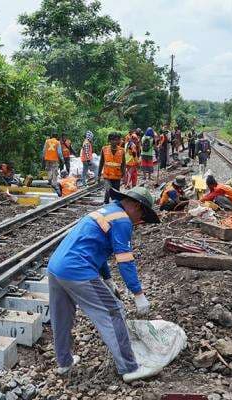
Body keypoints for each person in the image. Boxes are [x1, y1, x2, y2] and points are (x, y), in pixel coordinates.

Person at [47, 187, 160, 383]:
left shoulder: (107, 211)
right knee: (114, 311)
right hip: (77, 269)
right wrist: (138, 293)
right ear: (135, 206)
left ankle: (64, 363)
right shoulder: (123, 220)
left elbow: (96, 249)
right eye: (142, 215)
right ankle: (130, 367)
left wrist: (107, 279)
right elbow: (125, 260)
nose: (139, 221)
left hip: (56, 267)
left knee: (61, 317)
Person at [98, 133, 125, 204]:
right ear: (109, 140)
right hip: (107, 175)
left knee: (116, 192)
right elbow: (101, 162)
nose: (114, 142)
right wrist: (98, 175)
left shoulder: (122, 150)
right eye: (112, 140)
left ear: (118, 141)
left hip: (117, 175)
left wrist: (124, 174)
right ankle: (105, 203)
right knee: (108, 190)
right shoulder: (104, 149)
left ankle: (115, 206)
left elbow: (123, 164)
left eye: (116, 140)